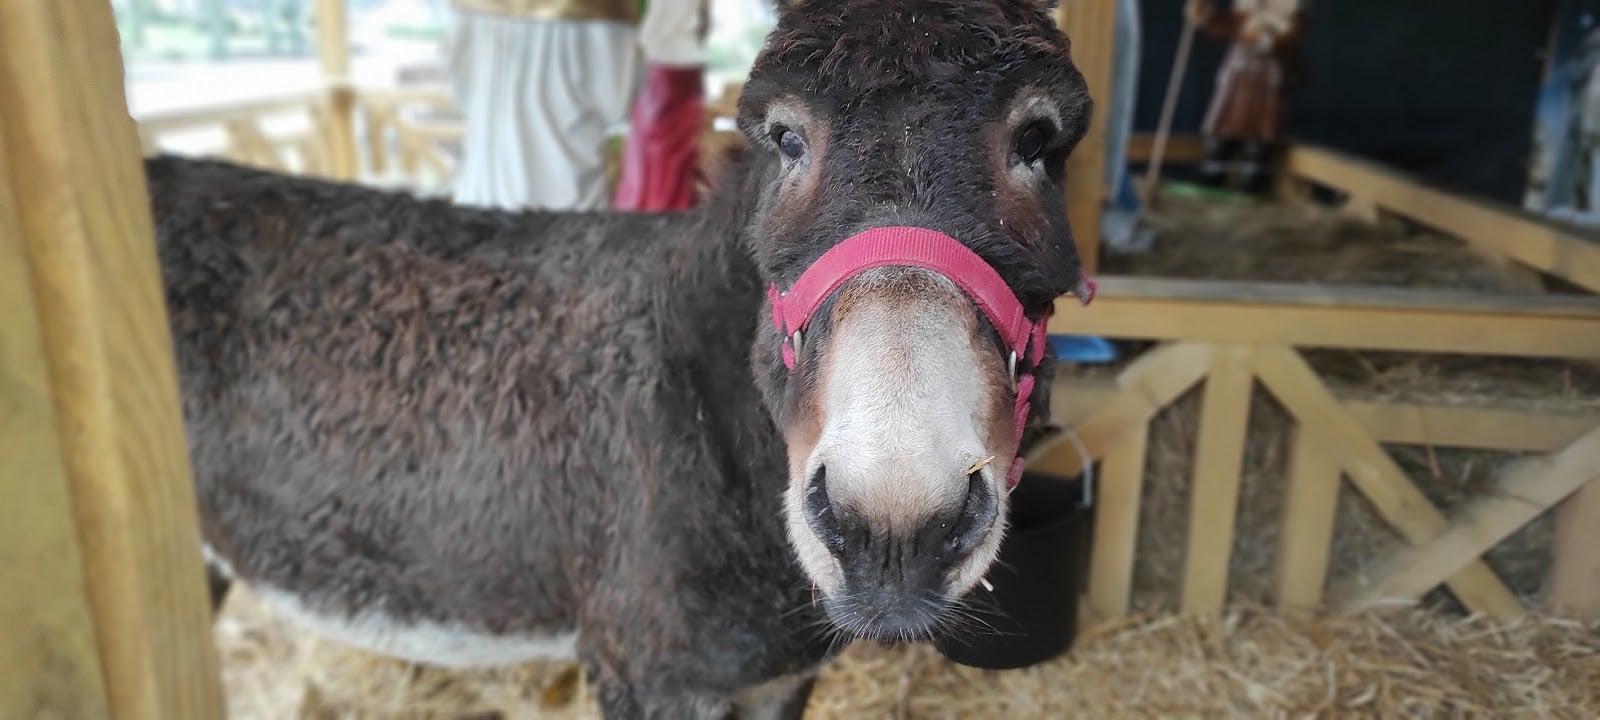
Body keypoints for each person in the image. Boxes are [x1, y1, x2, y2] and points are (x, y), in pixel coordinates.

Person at [445, 0, 644, 211]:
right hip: (566, 196)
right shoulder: (602, 7)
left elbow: (461, 87)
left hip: (484, 191)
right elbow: (614, 103)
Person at [1186, 0, 1305, 194]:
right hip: (1238, 70)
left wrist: (1263, 39)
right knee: (1224, 123)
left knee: (1261, 129)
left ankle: (1255, 176)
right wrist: (1204, 14)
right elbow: (1227, 25)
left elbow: (1290, 35)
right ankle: (1214, 168)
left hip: (1268, 74)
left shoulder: (1289, 9)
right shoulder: (1245, 7)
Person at [613, 0, 711, 211]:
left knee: (660, 152)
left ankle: (658, 213)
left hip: (664, 59)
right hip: (672, 58)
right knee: (664, 151)